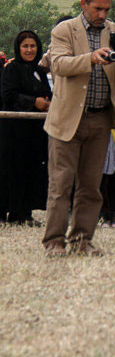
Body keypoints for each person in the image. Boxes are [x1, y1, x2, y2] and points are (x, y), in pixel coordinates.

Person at [42, 0, 115, 256]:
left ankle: (83, 240)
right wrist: (91, 58)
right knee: (61, 184)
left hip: (100, 120)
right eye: (97, 8)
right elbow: (58, 64)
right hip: (67, 119)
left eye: (107, 9)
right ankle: (54, 241)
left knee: (91, 186)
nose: (103, 15)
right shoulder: (64, 30)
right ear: (84, 5)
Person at [0, 30, 52, 225]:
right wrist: (34, 102)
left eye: (33, 46)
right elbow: (8, 96)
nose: (29, 50)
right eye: (25, 46)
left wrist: (46, 102)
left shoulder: (39, 71)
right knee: (10, 170)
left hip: (34, 131)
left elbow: (47, 94)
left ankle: (22, 213)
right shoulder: (11, 68)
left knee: (29, 170)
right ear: (18, 48)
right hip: (13, 131)